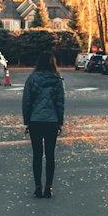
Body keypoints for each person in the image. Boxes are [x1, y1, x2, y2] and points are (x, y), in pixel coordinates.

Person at [22, 51, 65, 198]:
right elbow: (60, 102)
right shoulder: (57, 80)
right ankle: (49, 187)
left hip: (35, 121)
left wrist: (27, 121)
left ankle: (37, 186)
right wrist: (60, 121)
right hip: (51, 121)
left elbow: (27, 101)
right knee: (50, 155)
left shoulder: (32, 79)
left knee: (37, 155)